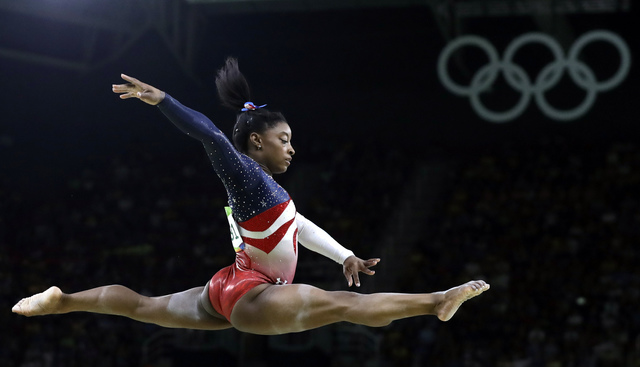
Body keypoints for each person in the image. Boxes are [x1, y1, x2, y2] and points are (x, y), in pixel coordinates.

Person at [12, 58, 489, 335]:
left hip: (230, 286)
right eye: (284, 139)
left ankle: (64, 300)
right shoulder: (245, 174)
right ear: (257, 142)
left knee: (143, 306)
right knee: (345, 306)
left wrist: (344, 254)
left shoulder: (265, 190)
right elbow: (213, 138)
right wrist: (164, 102)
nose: (292, 147)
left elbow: (296, 225)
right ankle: (436, 301)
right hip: (251, 294)